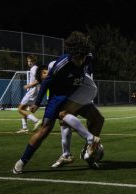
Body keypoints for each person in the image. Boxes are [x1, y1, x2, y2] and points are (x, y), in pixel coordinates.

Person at [12, 31, 100, 174]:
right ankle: (22, 161)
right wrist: (37, 102)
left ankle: (85, 148)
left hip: (74, 93)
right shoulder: (62, 64)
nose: (80, 61)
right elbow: (46, 83)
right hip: (57, 96)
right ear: (72, 54)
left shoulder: (87, 57)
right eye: (78, 58)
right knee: (45, 129)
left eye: (83, 57)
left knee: (89, 118)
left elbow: (88, 69)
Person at [50, 53, 105, 169]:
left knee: (96, 120)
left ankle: (88, 150)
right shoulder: (57, 68)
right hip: (78, 92)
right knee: (65, 117)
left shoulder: (67, 64)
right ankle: (75, 152)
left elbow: (88, 57)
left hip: (84, 90)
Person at [16, 55, 42, 134]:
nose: (29, 63)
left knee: (20, 109)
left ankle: (36, 120)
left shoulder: (33, 69)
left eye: (30, 61)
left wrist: (28, 86)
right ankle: (25, 128)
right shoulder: (36, 68)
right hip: (34, 92)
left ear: (34, 61)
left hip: (32, 91)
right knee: (24, 109)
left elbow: (38, 80)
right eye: (28, 61)